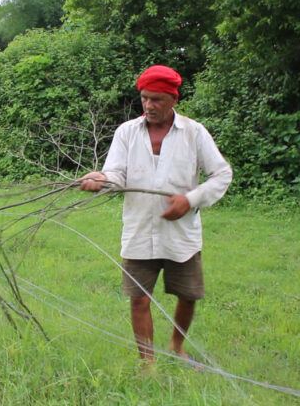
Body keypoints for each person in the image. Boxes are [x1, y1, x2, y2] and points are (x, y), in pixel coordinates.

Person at [79, 65, 232, 367]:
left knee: (188, 295)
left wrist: (190, 200)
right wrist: (102, 179)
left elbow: (221, 174)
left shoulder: (194, 132)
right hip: (139, 229)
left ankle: (176, 346)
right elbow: (117, 174)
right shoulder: (126, 132)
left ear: (174, 99)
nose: (148, 105)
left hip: (181, 233)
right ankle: (147, 363)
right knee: (139, 299)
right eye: (144, 98)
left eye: (157, 99)